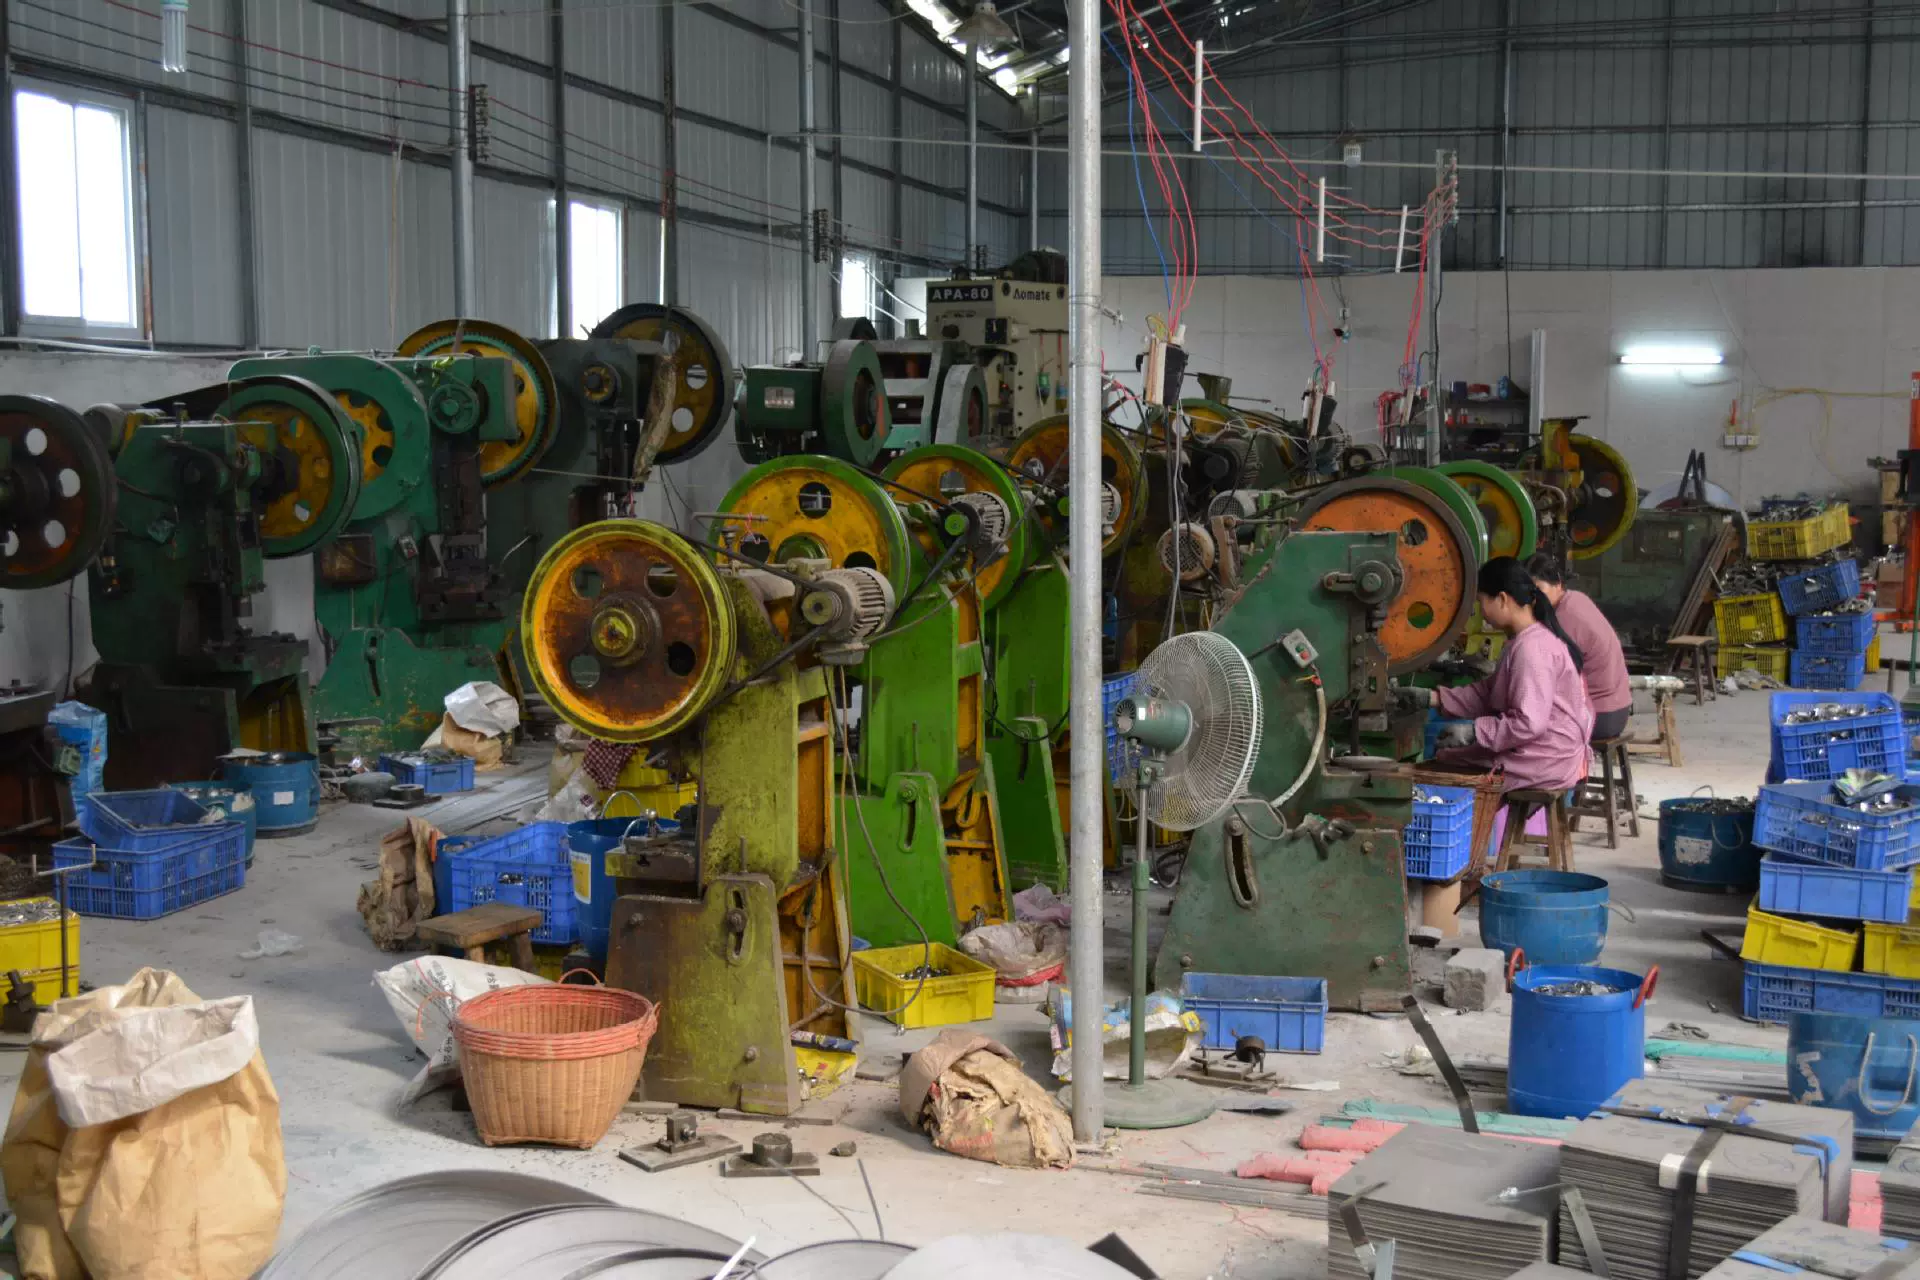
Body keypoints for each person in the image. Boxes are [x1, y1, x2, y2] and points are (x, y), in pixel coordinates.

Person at [1404, 556, 1594, 792]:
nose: (1481, 614)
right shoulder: (1525, 640)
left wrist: (1473, 732)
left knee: (1442, 761)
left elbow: (1529, 724)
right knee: (1449, 755)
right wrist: (1431, 698)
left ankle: (1464, 817)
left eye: (1481, 602)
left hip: (1546, 759)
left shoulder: (1532, 649)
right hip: (1544, 750)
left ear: (1502, 599)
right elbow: (1488, 693)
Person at [1525, 552, 1633, 742]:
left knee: (1523, 727)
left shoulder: (1563, 617)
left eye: (1539, 589)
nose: (1534, 599)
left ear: (1558, 584)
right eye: (1529, 593)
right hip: (1618, 708)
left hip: (1601, 715)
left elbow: (1546, 678)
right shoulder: (1576, 598)